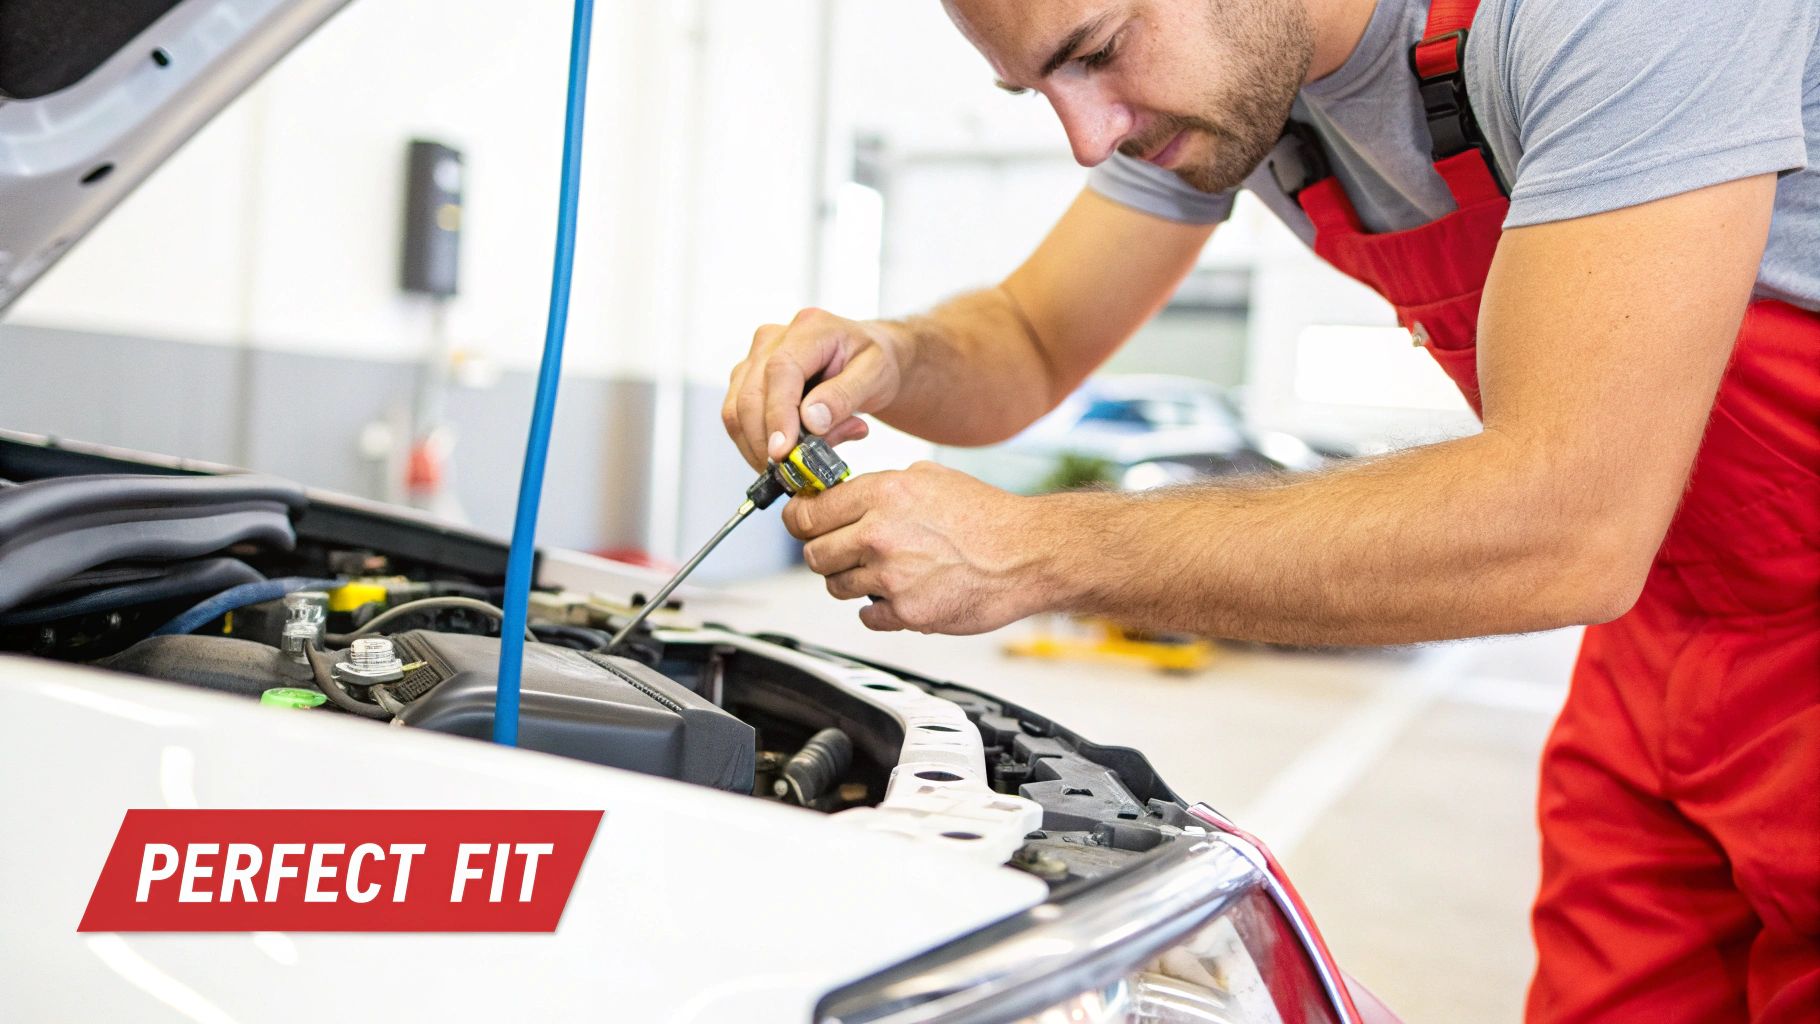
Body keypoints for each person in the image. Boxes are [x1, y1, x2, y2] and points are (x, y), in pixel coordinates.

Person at [719, 1, 1819, 1020]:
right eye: (1037, 91)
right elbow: (1029, 339)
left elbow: (1570, 520)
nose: (1087, 138)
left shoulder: (1615, 18)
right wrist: (893, 355)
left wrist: (1034, 547)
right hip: (1656, 663)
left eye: (1095, 52)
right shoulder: (1242, 87)